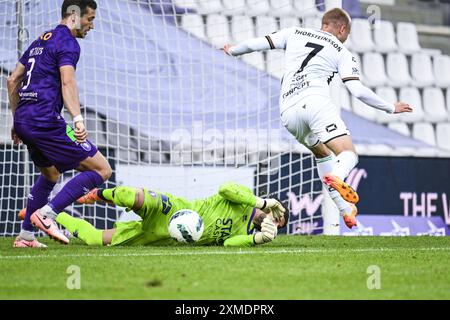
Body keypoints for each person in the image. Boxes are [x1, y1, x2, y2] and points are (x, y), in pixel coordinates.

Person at [222, 8, 413, 229]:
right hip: (315, 103)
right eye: (347, 34)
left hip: (288, 111)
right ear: (342, 29)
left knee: (322, 153)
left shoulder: (295, 32)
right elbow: (357, 90)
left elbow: (258, 43)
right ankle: (338, 177)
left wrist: (233, 50)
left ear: (324, 24)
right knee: (347, 153)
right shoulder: (341, 51)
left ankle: (345, 210)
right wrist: (390, 107)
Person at [7, 0, 112, 248]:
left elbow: (13, 80)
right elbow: (68, 82)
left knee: (51, 173)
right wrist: (77, 118)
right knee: (101, 170)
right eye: (90, 18)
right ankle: (47, 214)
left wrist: (16, 120)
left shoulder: (40, 40)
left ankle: (25, 236)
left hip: (25, 119)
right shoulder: (68, 42)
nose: (92, 25)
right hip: (45, 120)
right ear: (75, 15)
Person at [19, 183, 288, 247]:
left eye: (276, 224)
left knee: (95, 239)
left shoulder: (242, 232)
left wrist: (256, 241)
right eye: (274, 216)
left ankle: (47, 216)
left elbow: (229, 244)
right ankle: (98, 194)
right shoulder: (243, 199)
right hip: (173, 208)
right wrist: (262, 202)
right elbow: (225, 188)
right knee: (134, 196)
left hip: (161, 235)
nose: (271, 221)